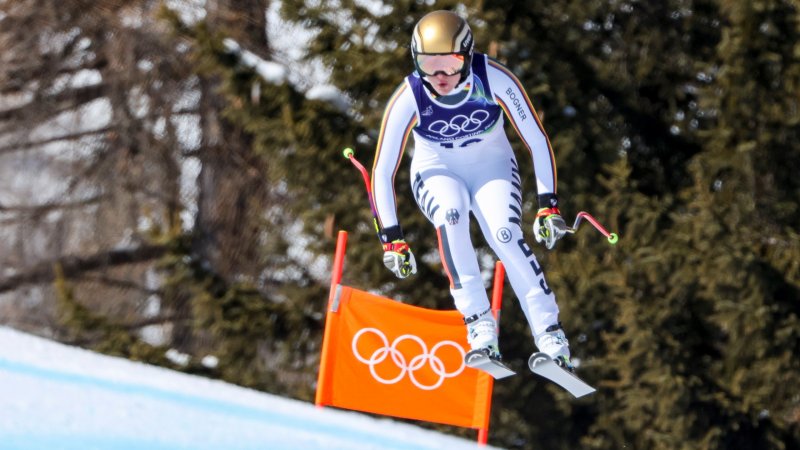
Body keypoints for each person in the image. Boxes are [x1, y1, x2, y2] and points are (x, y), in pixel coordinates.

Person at [370, 10, 573, 369]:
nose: (440, 75)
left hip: (491, 166)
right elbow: (383, 170)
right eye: (428, 64)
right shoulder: (410, 95)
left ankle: (550, 333)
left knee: (506, 234)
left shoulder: (493, 78)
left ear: (467, 54)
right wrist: (392, 238)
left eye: (449, 63)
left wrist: (548, 205)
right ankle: (479, 324)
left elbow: (537, 140)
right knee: (451, 215)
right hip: (436, 171)